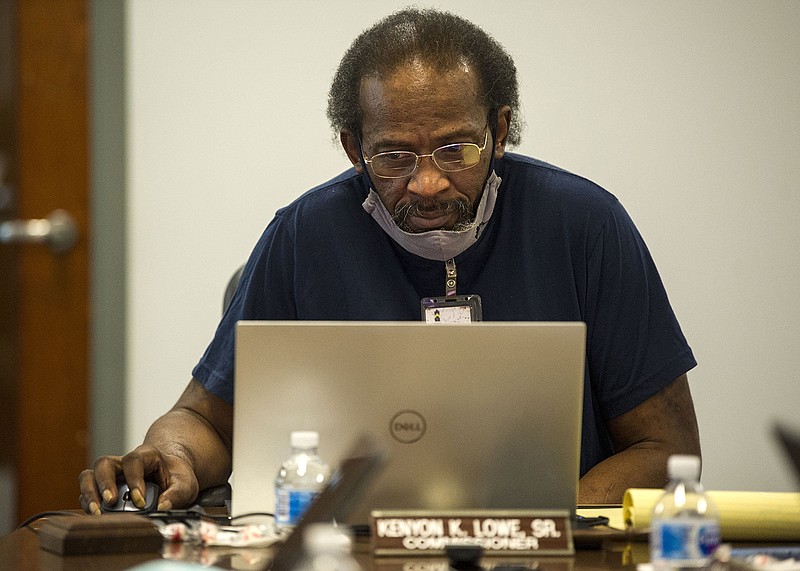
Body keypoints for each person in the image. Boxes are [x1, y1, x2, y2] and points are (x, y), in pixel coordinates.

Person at [80, 7, 700, 514]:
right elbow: (204, 421)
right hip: (347, 553)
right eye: (395, 157)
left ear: (501, 130)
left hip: (543, 553)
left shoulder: (585, 225)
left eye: (456, 149)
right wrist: (172, 458)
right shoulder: (304, 236)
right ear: (353, 148)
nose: (428, 184)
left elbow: (664, 450)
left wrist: (523, 521)